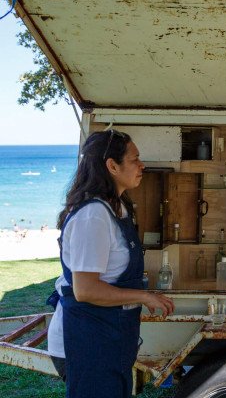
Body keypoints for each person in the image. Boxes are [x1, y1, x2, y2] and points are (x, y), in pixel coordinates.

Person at [47, 130, 174, 398]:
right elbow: (86, 290)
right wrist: (144, 296)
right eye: (135, 159)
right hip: (87, 340)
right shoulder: (92, 216)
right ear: (112, 166)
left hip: (109, 337)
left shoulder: (116, 208)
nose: (142, 165)